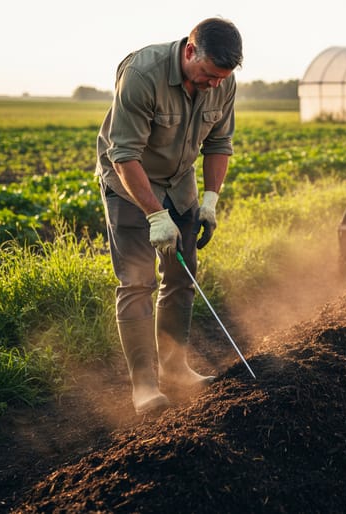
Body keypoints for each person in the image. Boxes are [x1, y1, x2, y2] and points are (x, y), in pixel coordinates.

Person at [95, 18, 244, 415]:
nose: (214, 84)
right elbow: (123, 154)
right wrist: (155, 216)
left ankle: (175, 368)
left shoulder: (223, 82)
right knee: (137, 281)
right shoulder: (143, 73)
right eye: (209, 75)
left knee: (182, 274)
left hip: (180, 184)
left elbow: (219, 142)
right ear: (190, 51)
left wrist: (210, 199)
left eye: (222, 78)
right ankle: (144, 385)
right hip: (131, 184)